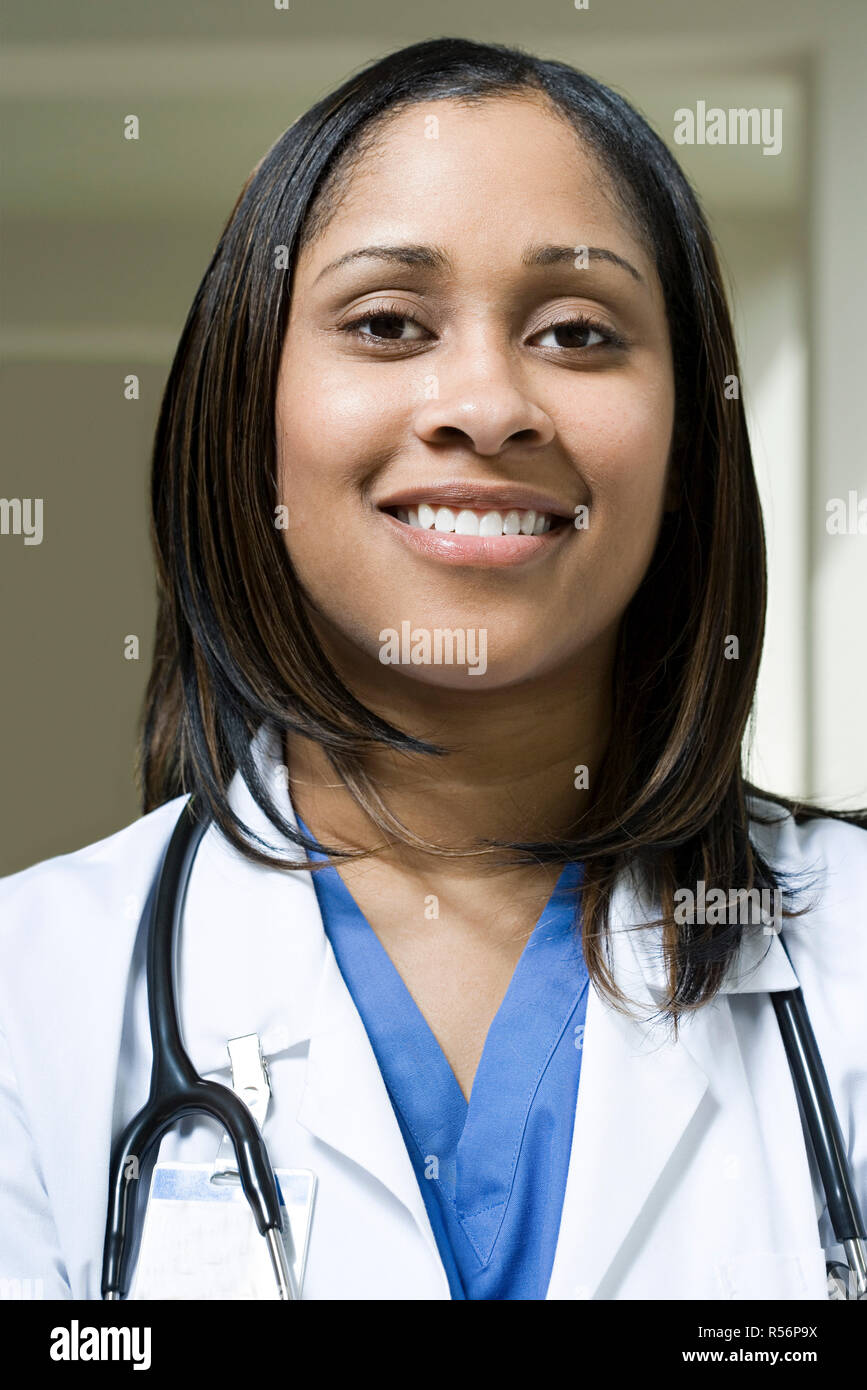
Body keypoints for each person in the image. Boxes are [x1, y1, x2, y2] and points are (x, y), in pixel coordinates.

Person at [1, 37, 864, 1302]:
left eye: (577, 332)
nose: (486, 402)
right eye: (389, 322)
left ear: (686, 446)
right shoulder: (31, 993)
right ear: (251, 423)